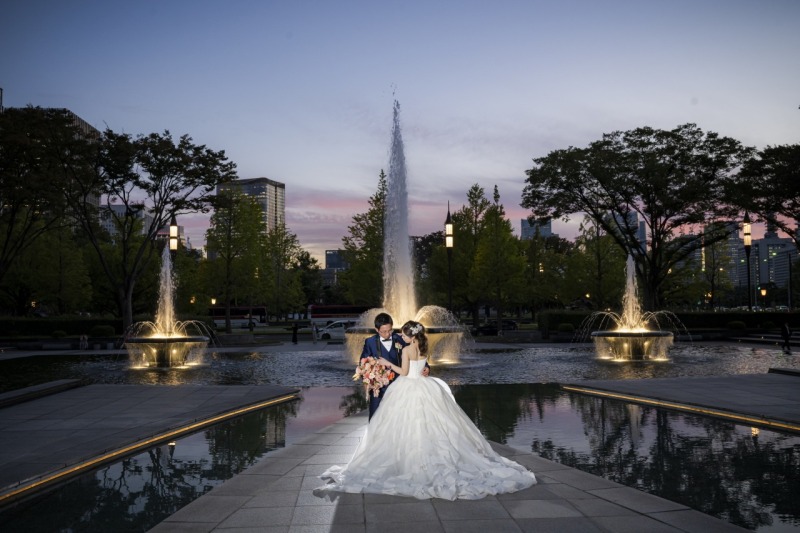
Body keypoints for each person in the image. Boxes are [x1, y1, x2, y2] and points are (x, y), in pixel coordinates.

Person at [317, 320, 536, 500]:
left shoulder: (406, 349)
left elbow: (404, 372)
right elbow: (420, 365)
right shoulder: (422, 347)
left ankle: (405, 459)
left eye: (403, 334)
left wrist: (387, 363)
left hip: (407, 386)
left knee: (405, 424)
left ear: (410, 336)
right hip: (425, 386)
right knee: (431, 423)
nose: (399, 336)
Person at [358, 312, 408, 420]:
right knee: (374, 419)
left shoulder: (400, 339)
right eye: (384, 331)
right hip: (378, 389)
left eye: (390, 330)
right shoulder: (370, 342)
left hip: (399, 386)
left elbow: (413, 355)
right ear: (377, 330)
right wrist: (370, 379)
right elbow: (363, 363)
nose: (388, 334)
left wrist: (425, 366)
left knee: (398, 419)